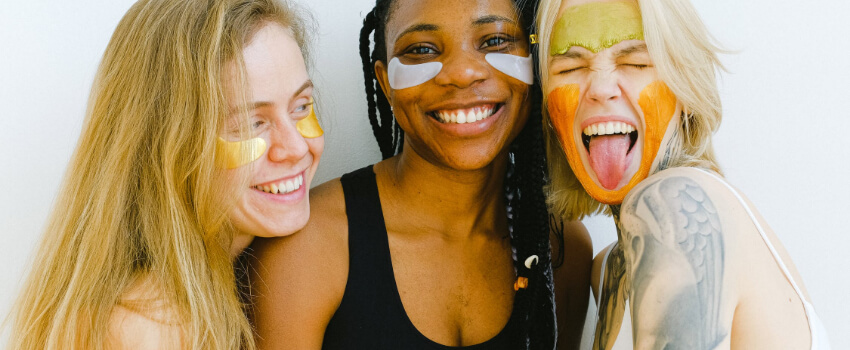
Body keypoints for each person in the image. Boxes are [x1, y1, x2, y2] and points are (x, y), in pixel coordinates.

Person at [249, 0, 592, 349]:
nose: (462, 72)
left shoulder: (562, 248)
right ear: (385, 83)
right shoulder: (307, 249)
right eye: (422, 49)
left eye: (494, 41)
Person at [6, 0, 323, 348]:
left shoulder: (243, 276)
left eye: (301, 106)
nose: (295, 148)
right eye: (252, 123)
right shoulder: (145, 329)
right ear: (165, 146)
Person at [537, 0, 831, 349]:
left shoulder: (673, 205)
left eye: (636, 62)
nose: (601, 88)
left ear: (685, 87)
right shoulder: (606, 270)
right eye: (570, 68)